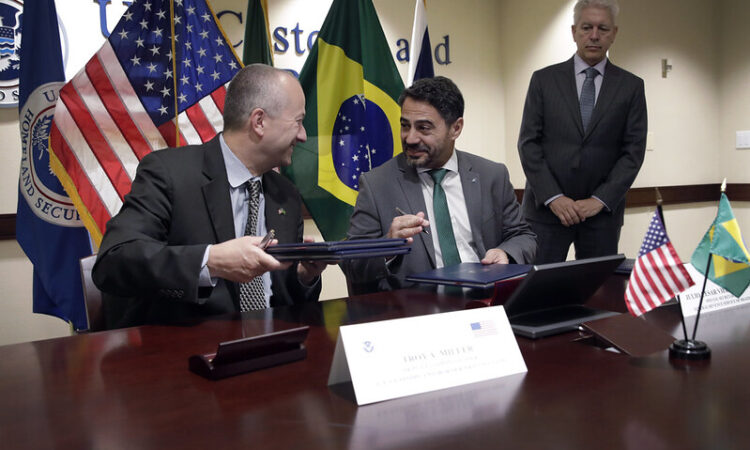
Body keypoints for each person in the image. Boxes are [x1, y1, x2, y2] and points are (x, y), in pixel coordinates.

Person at [93, 64, 325, 328]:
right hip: (190, 353)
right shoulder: (169, 174)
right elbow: (114, 261)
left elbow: (290, 304)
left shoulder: (286, 195)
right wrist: (211, 261)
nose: (303, 135)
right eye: (298, 121)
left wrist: (304, 276)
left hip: (275, 349)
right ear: (259, 122)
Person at [344, 76, 537, 293]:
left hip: (487, 302)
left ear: (456, 128)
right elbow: (352, 264)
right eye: (405, 126)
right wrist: (388, 245)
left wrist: (506, 254)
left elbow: (523, 236)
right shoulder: (376, 184)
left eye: (423, 128)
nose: (410, 138)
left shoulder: (491, 175)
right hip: (418, 310)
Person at [518, 0, 647, 264]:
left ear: (614, 34)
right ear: (574, 31)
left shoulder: (631, 87)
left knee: (598, 294)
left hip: (601, 216)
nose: (594, 35)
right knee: (538, 292)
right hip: (546, 212)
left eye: (603, 28)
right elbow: (529, 144)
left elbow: (632, 152)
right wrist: (554, 198)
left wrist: (599, 200)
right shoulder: (543, 80)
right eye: (587, 27)